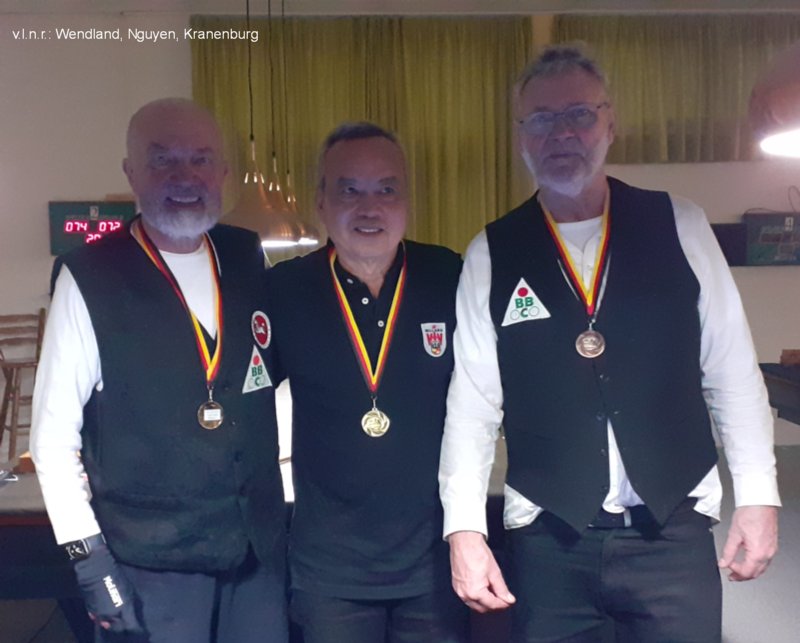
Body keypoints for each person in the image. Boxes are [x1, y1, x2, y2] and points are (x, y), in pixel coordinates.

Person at [439, 44, 781, 642]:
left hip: (672, 532)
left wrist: (758, 495)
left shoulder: (680, 224)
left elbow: (731, 373)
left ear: (611, 122)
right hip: (549, 539)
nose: (561, 133)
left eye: (579, 114)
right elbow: (472, 406)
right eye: (541, 119)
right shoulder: (491, 251)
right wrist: (464, 528)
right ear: (520, 137)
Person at [31, 98, 288, 643]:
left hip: (257, 557)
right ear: (131, 172)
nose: (185, 176)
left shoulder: (248, 255)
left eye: (200, 159)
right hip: (148, 565)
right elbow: (52, 439)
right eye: (163, 160)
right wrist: (88, 560)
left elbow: (269, 380)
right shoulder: (89, 274)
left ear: (223, 171)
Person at [264, 122, 469, 642]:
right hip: (329, 573)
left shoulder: (450, 276)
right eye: (349, 190)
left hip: (434, 564)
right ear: (321, 202)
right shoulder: (284, 290)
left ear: (407, 200)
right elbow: (235, 395)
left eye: (386, 189)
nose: (369, 208)